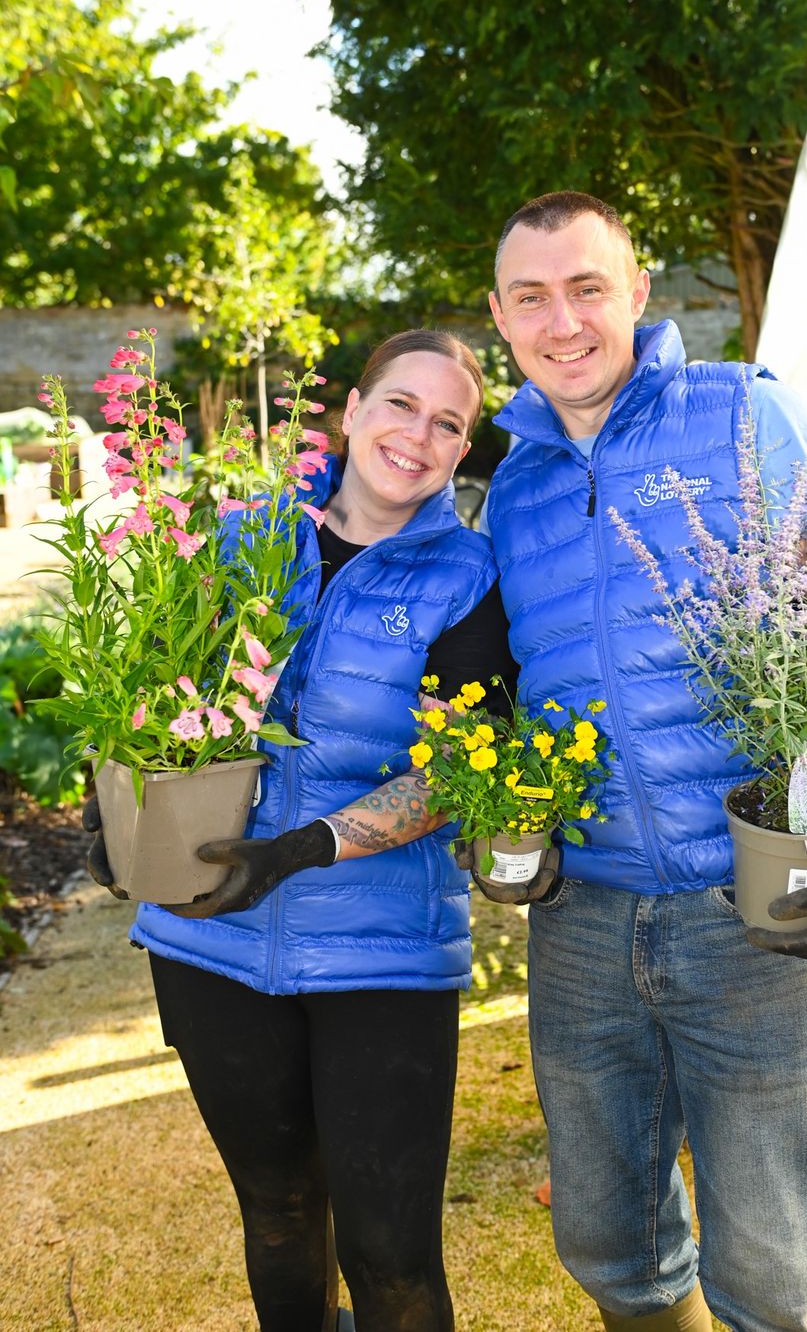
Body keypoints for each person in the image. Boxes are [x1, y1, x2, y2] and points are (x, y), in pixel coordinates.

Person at [481, 192, 807, 1332]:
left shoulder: (740, 416)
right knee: (605, 1241)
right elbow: (509, 703)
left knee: (779, 1278)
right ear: (499, 318)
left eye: (587, 286)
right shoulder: (513, 488)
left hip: (752, 913)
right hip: (581, 917)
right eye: (531, 297)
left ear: (636, 293)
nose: (563, 320)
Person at [85, 329, 516, 1332]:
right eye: (399, 404)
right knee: (277, 1215)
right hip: (206, 935)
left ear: (461, 453)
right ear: (353, 411)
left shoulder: (466, 579)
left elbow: (455, 771)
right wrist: (105, 808)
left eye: (446, 423)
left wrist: (298, 850)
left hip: (383, 950)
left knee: (392, 1255)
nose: (417, 435)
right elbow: (149, 691)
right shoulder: (238, 540)